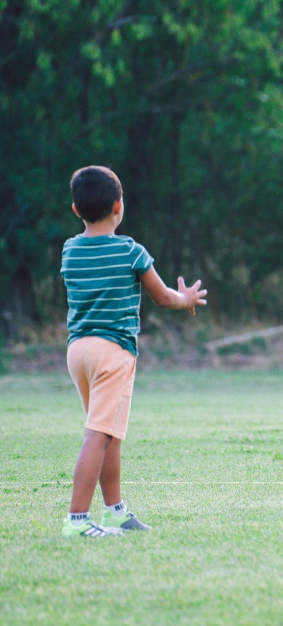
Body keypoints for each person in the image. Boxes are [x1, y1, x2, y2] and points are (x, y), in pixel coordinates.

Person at [61, 166, 207, 537]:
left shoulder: (70, 250)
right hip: (113, 352)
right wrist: (185, 297)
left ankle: (114, 511)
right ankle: (76, 521)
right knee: (98, 433)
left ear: (76, 210)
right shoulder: (130, 251)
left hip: (78, 350)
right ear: (118, 205)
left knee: (108, 433)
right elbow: (162, 297)